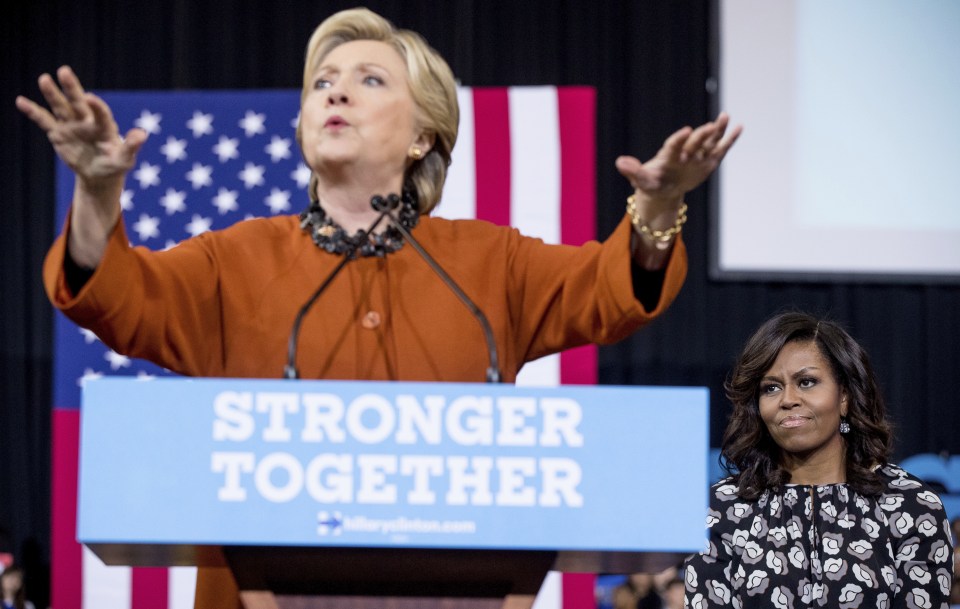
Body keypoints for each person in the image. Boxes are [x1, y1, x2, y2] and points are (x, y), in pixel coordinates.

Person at [17, 7, 740, 608]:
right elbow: (115, 296)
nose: (334, 94)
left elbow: (612, 287)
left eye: (368, 80)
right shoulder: (233, 260)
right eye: (322, 83)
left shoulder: (490, 263)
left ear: (424, 132)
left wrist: (659, 206)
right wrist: (96, 196)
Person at [684, 312, 955, 608]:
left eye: (807, 382)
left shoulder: (911, 505)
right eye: (771, 387)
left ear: (845, 397)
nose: (787, 399)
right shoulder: (722, 508)